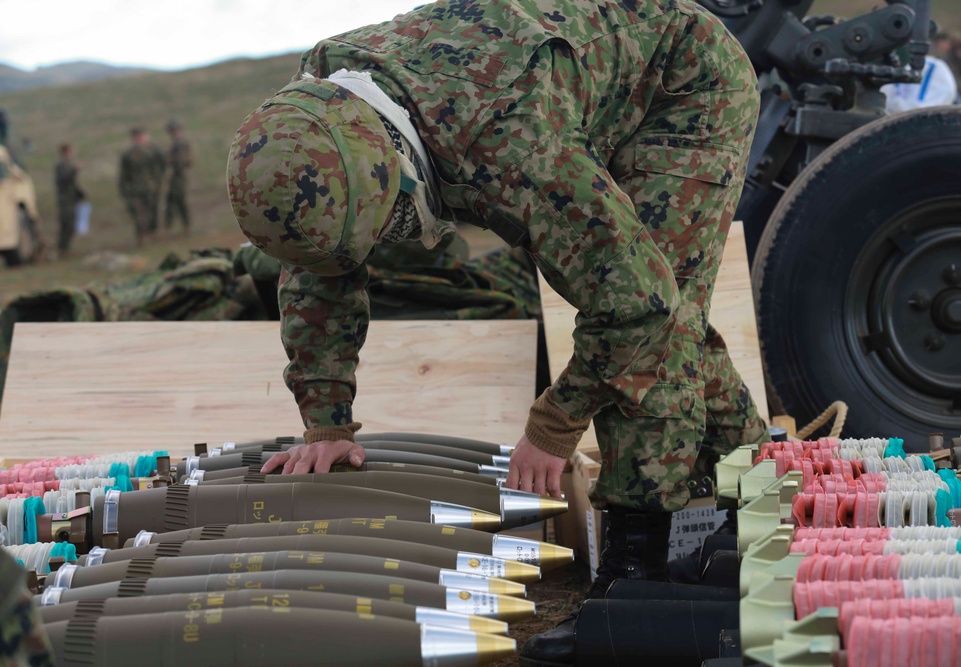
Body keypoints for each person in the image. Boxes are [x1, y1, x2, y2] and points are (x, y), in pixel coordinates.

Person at [227, 1, 767, 663]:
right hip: (571, 80)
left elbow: (641, 306)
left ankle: (636, 574)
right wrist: (327, 421)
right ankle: (752, 485)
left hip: (684, 86)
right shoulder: (309, 133)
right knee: (660, 307)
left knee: (660, 313)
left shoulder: (510, 145)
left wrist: (555, 424)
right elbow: (319, 271)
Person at [118, 127, 165, 246]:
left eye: (142, 136)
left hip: (150, 188)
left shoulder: (152, 152)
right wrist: (124, 190)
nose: (140, 139)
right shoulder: (128, 155)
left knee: (152, 211)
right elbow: (124, 175)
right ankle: (141, 236)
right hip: (135, 190)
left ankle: (151, 233)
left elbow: (160, 166)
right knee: (138, 214)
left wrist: (157, 182)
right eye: (137, 137)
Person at [53, 142, 85, 258]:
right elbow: (65, 178)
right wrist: (75, 170)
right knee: (67, 224)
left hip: (71, 199)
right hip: (65, 201)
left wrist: (80, 195)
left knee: (72, 224)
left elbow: (72, 183)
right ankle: (63, 249)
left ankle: (65, 248)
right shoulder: (61, 166)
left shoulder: (67, 165)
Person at [164, 119, 193, 232]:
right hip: (176, 175)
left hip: (179, 175)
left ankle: (185, 225)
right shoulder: (177, 143)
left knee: (179, 200)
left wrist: (173, 161)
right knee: (171, 199)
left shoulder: (180, 143)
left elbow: (185, 161)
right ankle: (170, 225)